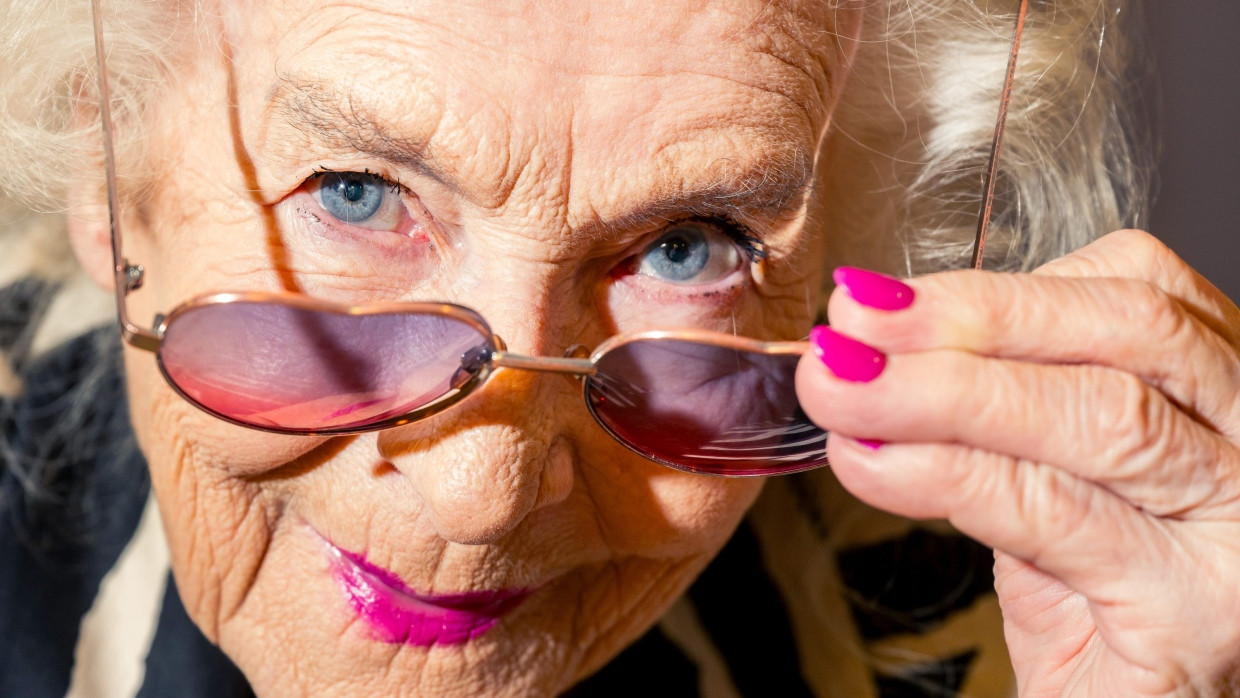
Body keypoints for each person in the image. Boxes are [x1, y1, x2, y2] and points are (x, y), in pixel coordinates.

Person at [3, 0, 1234, 696]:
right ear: (108, 166)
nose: (482, 499)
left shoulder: (1006, 632)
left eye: (691, 247)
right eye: (359, 195)